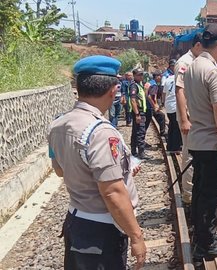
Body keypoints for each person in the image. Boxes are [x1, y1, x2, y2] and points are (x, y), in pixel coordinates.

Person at [48, 55, 146, 269]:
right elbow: (112, 192)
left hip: (76, 222)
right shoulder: (101, 132)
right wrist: (136, 236)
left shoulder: (57, 124)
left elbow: (59, 170)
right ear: (113, 90)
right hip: (102, 229)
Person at [184, 24, 217, 265]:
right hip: (212, 143)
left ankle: (203, 234)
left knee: (200, 192)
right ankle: (205, 244)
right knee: (213, 195)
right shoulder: (214, 72)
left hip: (197, 140)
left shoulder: (192, 67)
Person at [175, 32, 203, 204]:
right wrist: (184, 119)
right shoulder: (185, 62)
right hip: (189, 118)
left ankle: (195, 190)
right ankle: (189, 194)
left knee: (197, 154)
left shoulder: (197, 62)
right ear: (198, 45)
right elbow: (179, 90)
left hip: (197, 117)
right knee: (190, 155)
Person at [129, 68, 150, 159]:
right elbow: (133, 100)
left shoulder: (139, 85)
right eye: (139, 75)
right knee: (140, 132)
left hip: (140, 111)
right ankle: (141, 152)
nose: (141, 76)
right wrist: (137, 114)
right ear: (134, 75)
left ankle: (134, 151)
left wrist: (145, 90)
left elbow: (142, 97)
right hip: (138, 112)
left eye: (142, 74)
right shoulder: (134, 86)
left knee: (135, 131)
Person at [163, 69, 181, 153]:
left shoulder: (168, 79)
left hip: (169, 105)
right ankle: (175, 147)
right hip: (176, 105)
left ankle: (170, 145)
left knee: (172, 125)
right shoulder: (180, 79)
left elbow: (164, 93)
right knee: (177, 127)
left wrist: (163, 103)